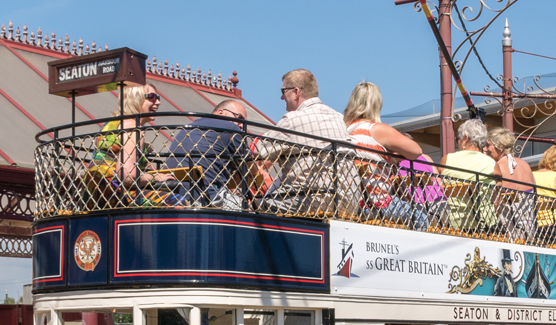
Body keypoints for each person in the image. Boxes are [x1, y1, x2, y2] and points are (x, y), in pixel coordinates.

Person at [258, 69, 354, 215]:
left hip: (311, 199)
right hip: (348, 200)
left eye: (283, 91)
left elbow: (259, 150)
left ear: (296, 92)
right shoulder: (339, 118)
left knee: (260, 204)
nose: (281, 97)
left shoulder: (292, 120)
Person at [343, 82, 424, 225]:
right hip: (376, 202)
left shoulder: (344, 130)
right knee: (421, 219)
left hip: (351, 202)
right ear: (376, 104)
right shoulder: (376, 129)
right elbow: (416, 151)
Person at [90, 82, 172, 204]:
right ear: (136, 99)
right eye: (152, 97)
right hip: (115, 196)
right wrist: (155, 177)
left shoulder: (112, 124)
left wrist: (143, 147)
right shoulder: (133, 128)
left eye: (158, 98)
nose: (158, 102)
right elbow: (127, 177)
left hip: (93, 194)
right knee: (177, 201)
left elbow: (114, 151)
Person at [165, 98, 251, 208]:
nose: (241, 125)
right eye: (239, 118)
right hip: (206, 198)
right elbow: (250, 168)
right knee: (249, 210)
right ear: (220, 112)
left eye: (244, 122)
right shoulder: (230, 127)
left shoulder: (188, 128)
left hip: (174, 196)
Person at [441, 119, 497, 233]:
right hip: (485, 224)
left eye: (458, 139)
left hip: (456, 224)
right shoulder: (491, 164)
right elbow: (497, 197)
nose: (458, 142)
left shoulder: (446, 160)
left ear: (465, 138)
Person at [486, 128, 536, 243]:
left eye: (489, 145)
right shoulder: (525, 164)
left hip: (509, 220)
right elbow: (533, 189)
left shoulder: (497, 166)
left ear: (500, 147)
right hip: (528, 218)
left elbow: (497, 200)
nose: (487, 149)